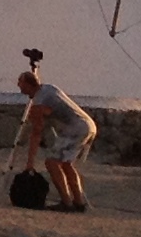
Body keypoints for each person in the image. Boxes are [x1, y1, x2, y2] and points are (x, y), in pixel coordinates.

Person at [15, 67, 96, 213]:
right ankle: (79, 202)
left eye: (20, 82)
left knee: (51, 162)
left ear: (28, 84)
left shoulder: (39, 102)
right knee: (66, 164)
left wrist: (30, 163)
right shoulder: (50, 88)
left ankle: (66, 202)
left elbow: (36, 132)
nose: (18, 86)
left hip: (75, 128)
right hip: (88, 125)